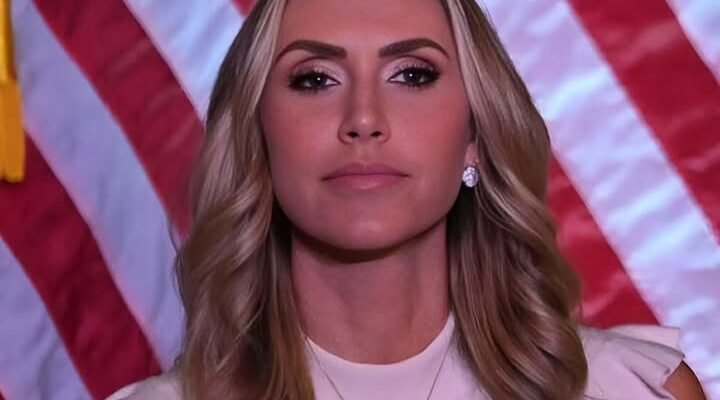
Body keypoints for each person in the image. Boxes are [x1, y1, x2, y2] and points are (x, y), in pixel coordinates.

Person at [108, 0, 707, 398]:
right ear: (257, 140)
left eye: (412, 75)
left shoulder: (631, 391)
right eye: (315, 79)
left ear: (475, 136)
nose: (364, 118)